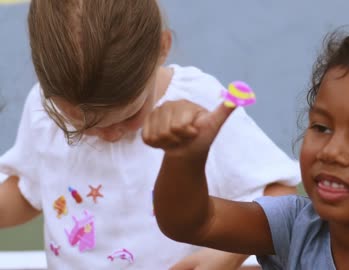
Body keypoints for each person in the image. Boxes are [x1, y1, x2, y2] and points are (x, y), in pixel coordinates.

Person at [144, 27, 349, 270]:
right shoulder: (298, 226)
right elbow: (193, 223)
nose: (331, 151)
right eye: (322, 127)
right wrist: (185, 157)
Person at [0, 1, 300, 269]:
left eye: (130, 115)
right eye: (81, 127)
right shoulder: (43, 106)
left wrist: (222, 256)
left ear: (162, 48)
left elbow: (277, 197)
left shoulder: (199, 105)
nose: (109, 135)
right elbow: (28, 191)